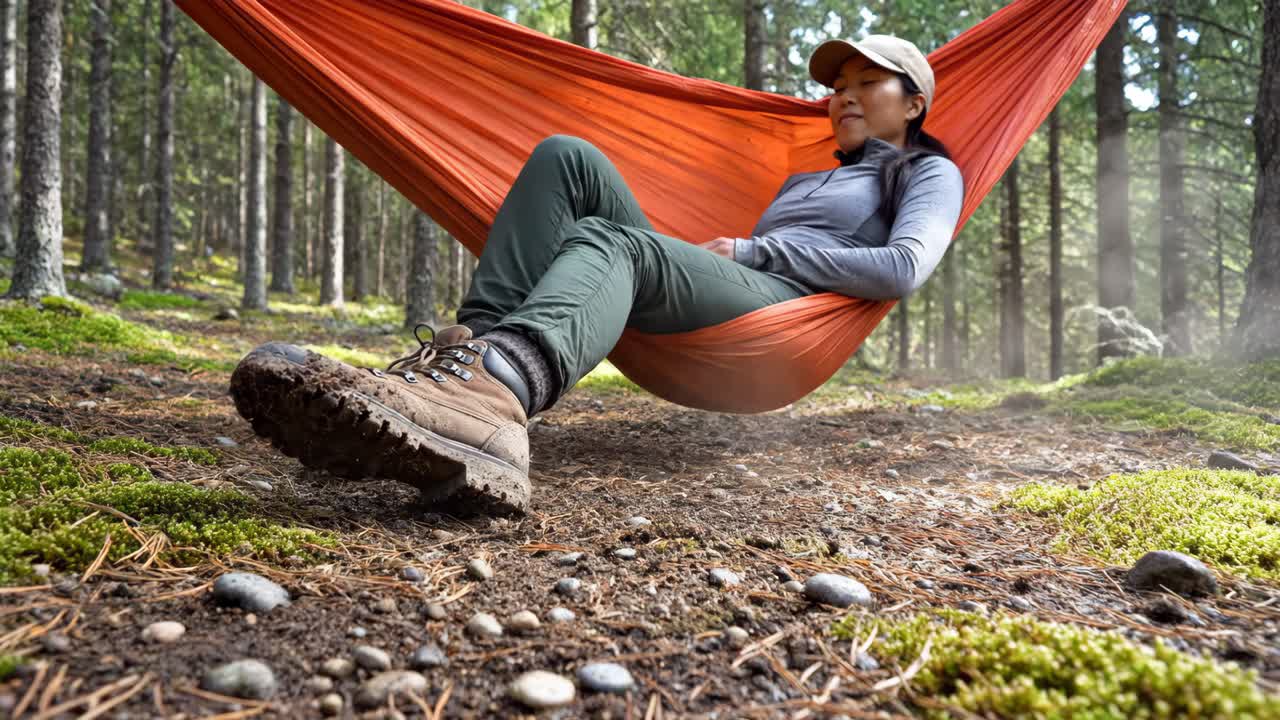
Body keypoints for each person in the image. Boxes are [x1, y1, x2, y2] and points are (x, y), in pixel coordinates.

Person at [229, 34, 965, 515]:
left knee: (615, 241)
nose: (844, 94)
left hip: (781, 313)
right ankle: (463, 371)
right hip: (733, 280)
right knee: (565, 156)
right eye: (839, 83)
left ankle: (499, 396)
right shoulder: (807, 176)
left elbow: (902, 268)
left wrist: (753, 251)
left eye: (869, 82)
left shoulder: (927, 171)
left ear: (917, 102)